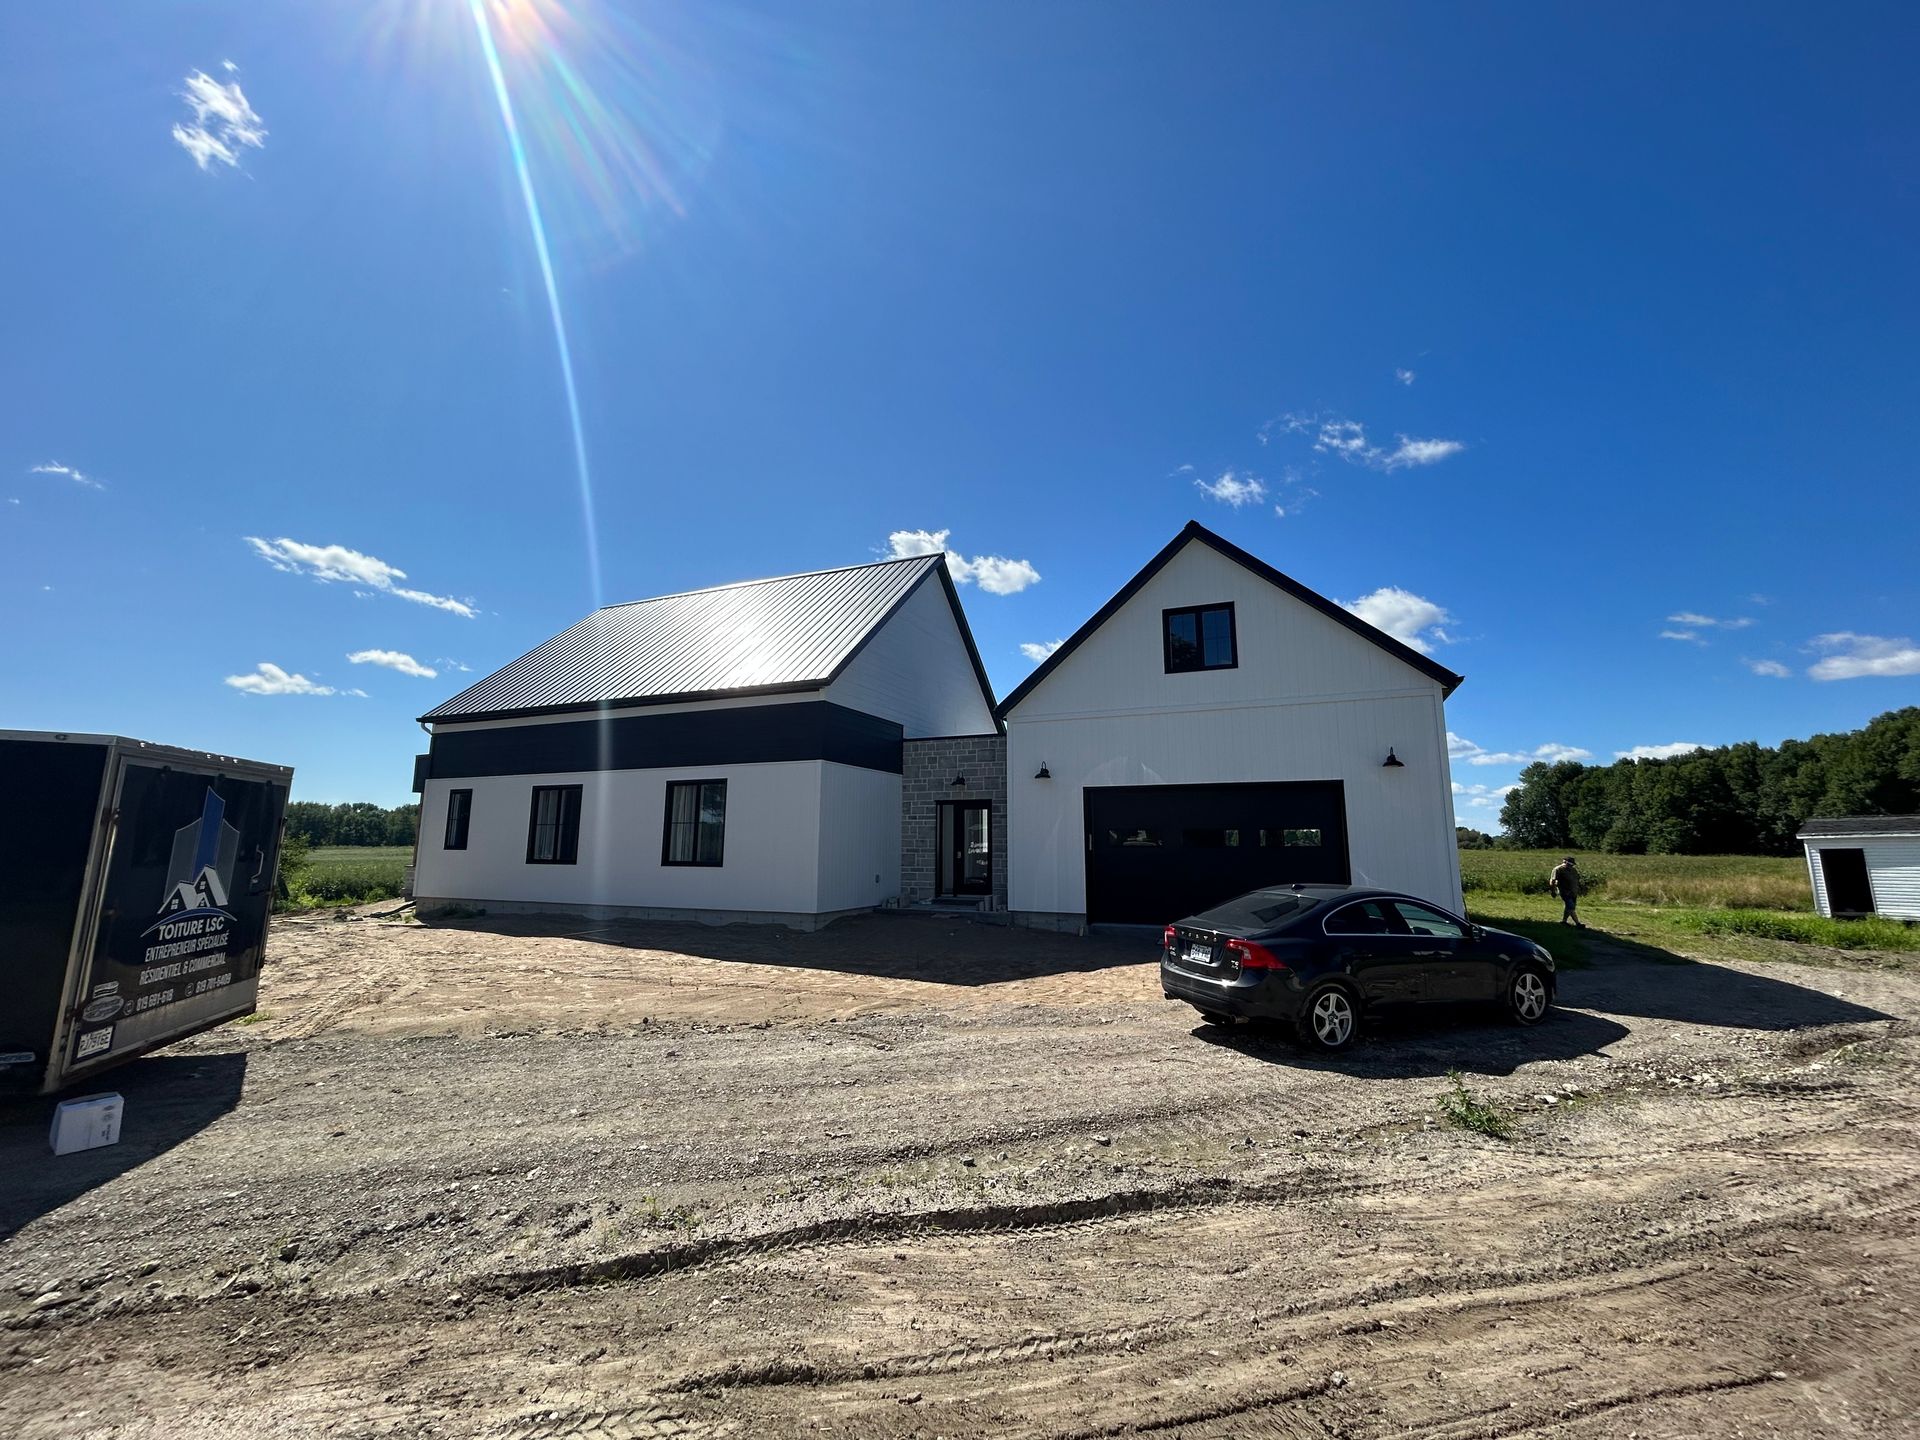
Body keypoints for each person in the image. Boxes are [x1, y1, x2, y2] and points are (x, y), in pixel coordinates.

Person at [1548, 856, 1585, 927]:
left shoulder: (1573, 870)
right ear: (1564, 862)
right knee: (1570, 907)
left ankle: (1564, 921)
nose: (1570, 866)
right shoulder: (1558, 869)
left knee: (1570, 908)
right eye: (1569, 864)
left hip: (1573, 892)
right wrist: (1553, 891)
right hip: (1565, 892)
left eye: (1572, 864)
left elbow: (1577, 880)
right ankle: (1578, 924)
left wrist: (1580, 888)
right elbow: (1552, 881)